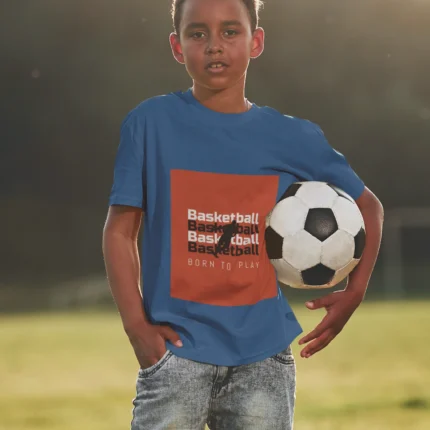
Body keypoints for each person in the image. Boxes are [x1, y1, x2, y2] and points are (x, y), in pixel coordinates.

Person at [102, 0, 384, 428]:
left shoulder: (290, 136)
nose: (215, 46)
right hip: (175, 354)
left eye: (230, 32)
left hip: (262, 360)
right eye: (199, 34)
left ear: (257, 41)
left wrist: (355, 291)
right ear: (178, 47)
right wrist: (138, 329)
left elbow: (369, 206)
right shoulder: (150, 124)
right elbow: (120, 233)